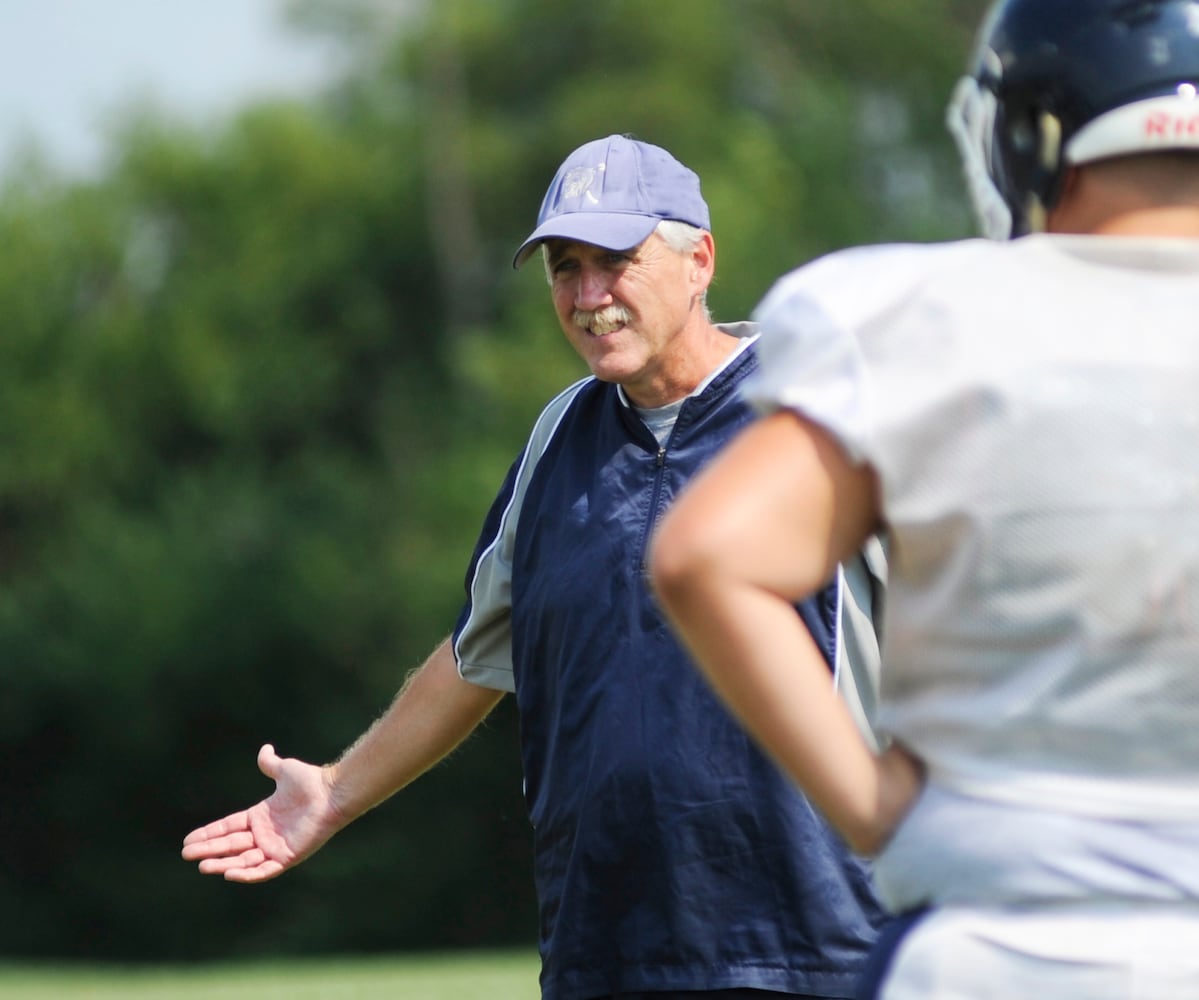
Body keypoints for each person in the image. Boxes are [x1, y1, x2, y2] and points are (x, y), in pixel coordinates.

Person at [182, 133, 889, 1000]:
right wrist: (334, 791)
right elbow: (478, 652)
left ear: (699, 259)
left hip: (817, 949)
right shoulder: (559, 438)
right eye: (565, 268)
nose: (589, 296)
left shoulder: (819, 415)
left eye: (616, 261)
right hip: (601, 950)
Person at [649, 1, 1199, 996]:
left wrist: (871, 808)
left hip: (1000, 945)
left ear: (1029, 131)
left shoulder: (925, 318)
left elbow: (704, 555)